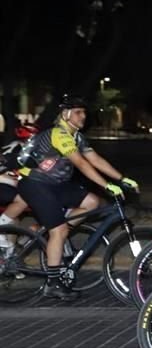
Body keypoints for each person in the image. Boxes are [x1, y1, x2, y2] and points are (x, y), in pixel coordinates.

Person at [13, 95, 138, 299]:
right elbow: (80, 163)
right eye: (78, 112)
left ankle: (55, 234)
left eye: (85, 112)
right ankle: (53, 283)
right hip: (35, 184)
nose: (83, 116)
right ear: (65, 114)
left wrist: (122, 178)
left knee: (91, 201)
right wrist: (107, 185)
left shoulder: (77, 136)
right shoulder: (59, 134)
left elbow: (94, 158)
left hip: (55, 185)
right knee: (59, 229)